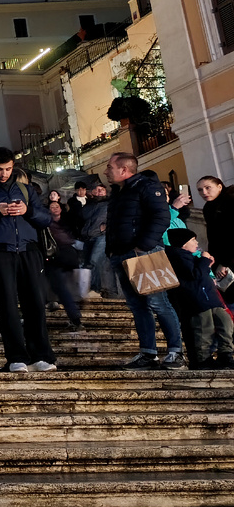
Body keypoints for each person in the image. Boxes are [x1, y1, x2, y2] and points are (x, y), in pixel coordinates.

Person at [0, 147, 57, 373]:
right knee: (6, 306)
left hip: (29, 251)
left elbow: (45, 219)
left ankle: (41, 355)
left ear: (13, 167)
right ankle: (16, 356)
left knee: (35, 304)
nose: (3, 173)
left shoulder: (26, 190)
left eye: (7, 169)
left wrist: (27, 211)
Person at [104, 152, 184, 370]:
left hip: (143, 253)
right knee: (137, 306)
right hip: (121, 255)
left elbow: (161, 216)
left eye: (109, 167)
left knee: (158, 302)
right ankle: (148, 353)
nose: (105, 171)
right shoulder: (118, 192)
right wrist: (110, 250)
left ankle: (176, 352)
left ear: (123, 170)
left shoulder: (146, 186)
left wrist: (144, 245)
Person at [164, 227, 234, 369]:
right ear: (184, 244)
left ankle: (226, 354)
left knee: (226, 323)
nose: (196, 243)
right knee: (204, 329)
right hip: (198, 300)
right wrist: (204, 260)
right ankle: (203, 359)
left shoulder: (191, 257)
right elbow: (194, 275)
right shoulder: (178, 256)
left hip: (211, 298)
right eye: (193, 240)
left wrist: (206, 263)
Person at [45, 200, 85, 331]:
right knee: (64, 287)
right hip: (68, 256)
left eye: (57, 206)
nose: (55, 209)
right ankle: (71, 306)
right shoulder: (55, 223)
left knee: (61, 288)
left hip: (59, 257)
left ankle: (75, 318)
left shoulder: (49, 224)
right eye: (52, 207)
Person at [197, 176, 234, 273]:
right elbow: (213, 236)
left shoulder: (230, 202)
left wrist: (225, 263)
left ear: (219, 187)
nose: (204, 192)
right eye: (200, 190)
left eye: (208, 187)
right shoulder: (208, 207)